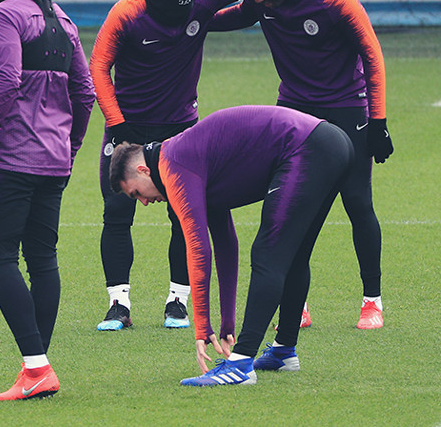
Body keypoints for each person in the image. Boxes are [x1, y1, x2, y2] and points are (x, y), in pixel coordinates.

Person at [210, 0, 394, 329]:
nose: (258, 1)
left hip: (347, 109)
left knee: (358, 203)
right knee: (291, 208)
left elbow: (372, 56)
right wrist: (187, 21)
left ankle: (372, 300)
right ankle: (299, 302)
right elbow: (228, 17)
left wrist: (377, 121)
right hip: (293, 113)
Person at [109, 105, 353, 386]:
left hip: (310, 147)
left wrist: (202, 328)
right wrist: (227, 324)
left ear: (143, 170)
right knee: (293, 256)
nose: (144, 202)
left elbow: (199, 251)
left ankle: (240, 364)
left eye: (137, 192)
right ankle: (284, 351)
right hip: (329, 142)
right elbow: (226, 246)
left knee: (268, 255)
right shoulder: (186, 161)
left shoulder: (173, 166)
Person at [89, 0, 247, 331]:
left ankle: (177, 301)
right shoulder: (126, 13)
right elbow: (98, 67)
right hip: (127, 128)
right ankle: (118, 305)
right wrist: (117, 121)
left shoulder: (201, 0)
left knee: (183, 214)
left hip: (179, 129)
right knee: (117, 212)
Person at [0, 0, 95, 401]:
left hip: (13, 159)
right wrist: (71, 146)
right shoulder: (62, 18)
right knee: (42, 260)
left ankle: (37, 366)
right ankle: (38, 365)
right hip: (54, 162)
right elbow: (86, 95)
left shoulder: (3, 14)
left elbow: (5, 82)